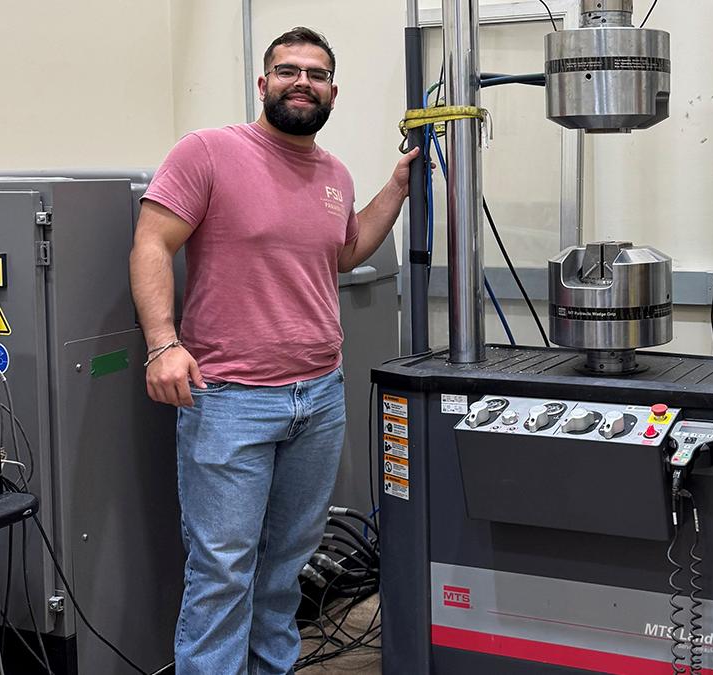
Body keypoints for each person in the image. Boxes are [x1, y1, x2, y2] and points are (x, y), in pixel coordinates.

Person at [129, 26, 418, 674]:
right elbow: (151, 242)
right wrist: (162, 344)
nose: (302, 82)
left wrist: (396, 186)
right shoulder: (208, 152)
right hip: (229, 398)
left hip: (318, 397)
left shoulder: (335, 174)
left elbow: (343, 251)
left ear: (332, 92)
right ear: (263, 84)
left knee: (285, 569)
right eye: (288, 70)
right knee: (223, 574)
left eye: (315, 74)